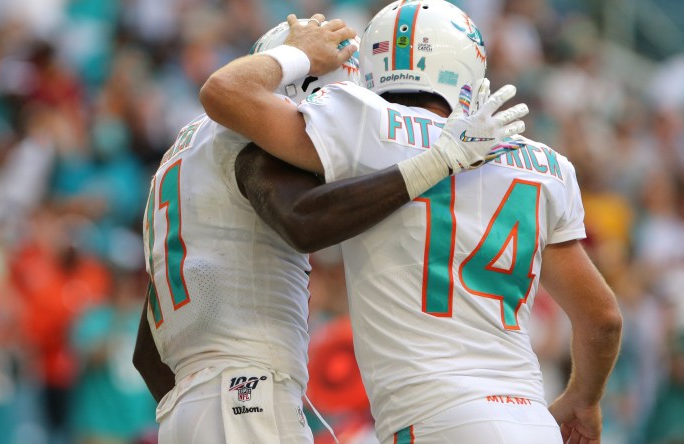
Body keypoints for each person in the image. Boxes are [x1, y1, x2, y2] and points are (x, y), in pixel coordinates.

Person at [199, 2, 623, 444]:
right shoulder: (548, 166)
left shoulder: (359, 118)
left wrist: (299, 57)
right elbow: (603, 318)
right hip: (532, 419)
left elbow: (226, 95)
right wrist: (583, 398)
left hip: (433, 417)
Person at [136, 19, 501, 443]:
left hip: (186, 408)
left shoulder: (187, 150)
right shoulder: (251, 141)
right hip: (248, 392)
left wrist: (207, 409)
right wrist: (437, 162)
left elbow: (148, 354)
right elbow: (304, 221)